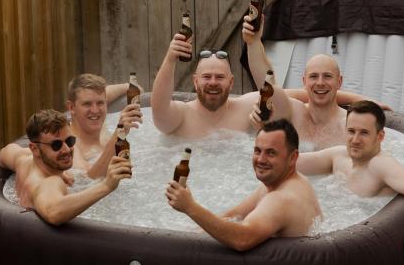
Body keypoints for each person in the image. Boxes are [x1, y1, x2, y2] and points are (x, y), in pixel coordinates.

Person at [296, 100, 404, 261]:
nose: (355, 139)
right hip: (329, 231)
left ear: (380, 136)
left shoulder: (380, 165)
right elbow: (291, 163)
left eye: (364, 133)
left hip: (353, 246)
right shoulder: (338, 156)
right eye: (351, 131)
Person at [166, 119, 322, 251]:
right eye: (257, 151)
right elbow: (234, 215)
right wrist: (185, 235)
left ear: (293, 158)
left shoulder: (281, 199)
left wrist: (190, 207)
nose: (261, 159)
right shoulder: (289, 182)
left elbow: (242, 239)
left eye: (271, 153)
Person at [244, 15, 390, 150]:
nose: (320, 83)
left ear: (339, 82)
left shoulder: (350, 125)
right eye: (313, 76)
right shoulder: (294, 113)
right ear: (304, 82)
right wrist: (254, 42)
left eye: (327, 76)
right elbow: (268, 85)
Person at [0, 109, 132, 226]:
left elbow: (4, 153)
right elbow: (53, 212)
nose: (67, 149)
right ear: (35, 148)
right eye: (56, 145)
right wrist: (106, 186)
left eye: (70, 141)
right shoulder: (49, 182)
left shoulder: (23, 161)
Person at [151, 33, 295, 138]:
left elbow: (280, 101)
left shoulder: (246, 108)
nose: (213, 82)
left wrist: (254, 42)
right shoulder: (181, 116)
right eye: (206, 77)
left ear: (231, 82)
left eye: (220, 77)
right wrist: (170, 59)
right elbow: (159, 109)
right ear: (195, 81)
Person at [67, 73, 142, 178]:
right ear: (71, 107)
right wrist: (119, 134)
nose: (95, 110)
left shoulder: (96, 121)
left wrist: (130, 86)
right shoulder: (68, 144)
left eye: (100, 103)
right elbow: (88, 180)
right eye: (87, 104)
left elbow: (105, 94)